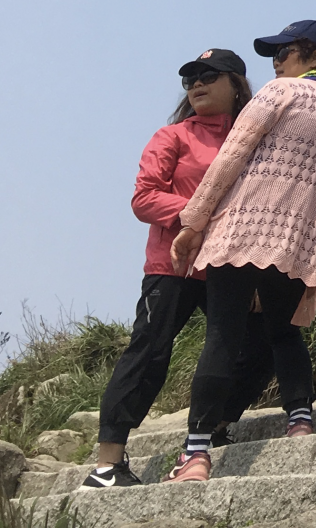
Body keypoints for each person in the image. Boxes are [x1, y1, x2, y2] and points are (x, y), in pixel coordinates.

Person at [166, 22, 316, 483]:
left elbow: (230, 158)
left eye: (284, 52)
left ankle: (195, 454)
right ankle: (300, 421)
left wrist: (193, 222)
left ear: (313, 54)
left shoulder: (279, 93)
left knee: (222, 334)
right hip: (301, 244)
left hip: (242, 231)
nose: (275, 63)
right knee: (285, 334)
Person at [80, 50, 270, 489]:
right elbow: (144, 198)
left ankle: (214, 427)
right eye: (189, 78)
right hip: (173, 266)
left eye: (208, 75)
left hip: (231, 266)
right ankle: (107, 464)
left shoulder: (257, 142)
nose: (196, 83)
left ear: (237, 84)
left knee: (261, 343)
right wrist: (200, 216)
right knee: (149, 353)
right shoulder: (173, 137)